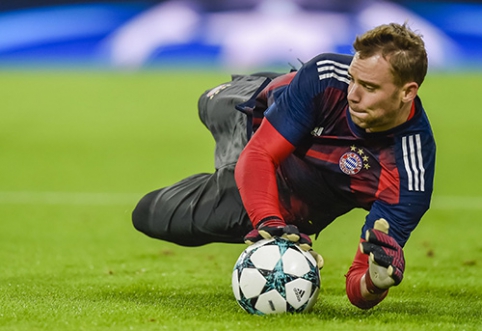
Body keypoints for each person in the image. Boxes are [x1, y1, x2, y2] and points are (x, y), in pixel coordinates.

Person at [132, 22, 435, 310]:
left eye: (368, 87)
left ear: (408, 92)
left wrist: (375, 282)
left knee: (148, 215)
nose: (352, 95)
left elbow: (357, 288)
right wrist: (268, 223)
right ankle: (236, 172)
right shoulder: (328, 77)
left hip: (285, 199)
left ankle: (225, 184)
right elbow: (260, 153)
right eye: (353, 78)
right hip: (257, 116)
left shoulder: (409, 174)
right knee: (209, 102)